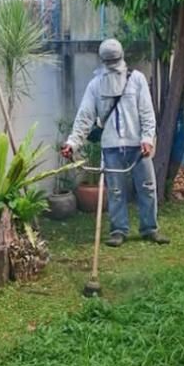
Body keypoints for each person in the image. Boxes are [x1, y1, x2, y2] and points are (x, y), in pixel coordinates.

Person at [61, 38, 170, 247]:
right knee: (115, 191)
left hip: (138, 146)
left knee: (147, 187)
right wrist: (72, 143)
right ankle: (118, 231)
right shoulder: (95, 84)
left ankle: (150, 229)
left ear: (121, 58)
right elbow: (85, 116)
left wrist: (148, 139)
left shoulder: (136, 79)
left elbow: (147, 113)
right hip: (111, 146)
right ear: (102, 61)